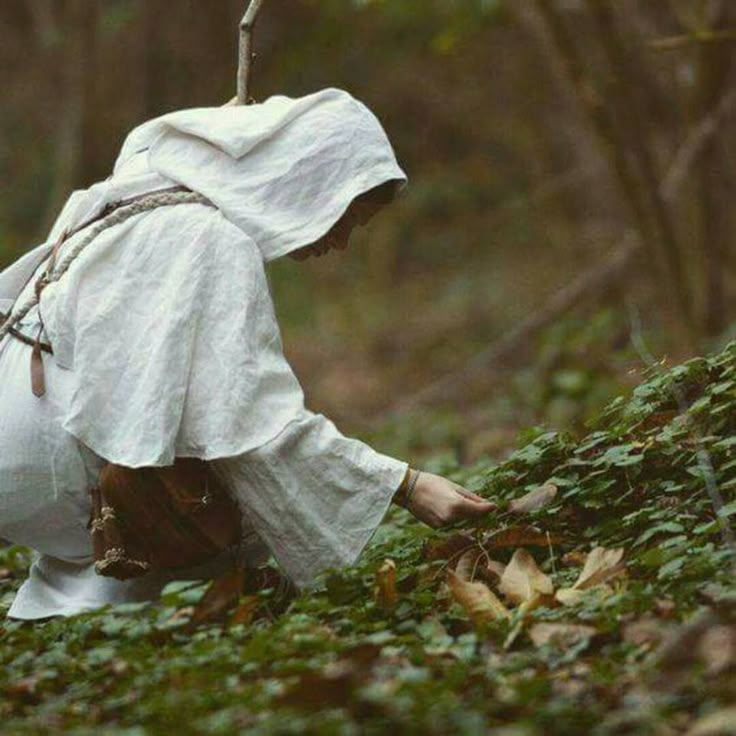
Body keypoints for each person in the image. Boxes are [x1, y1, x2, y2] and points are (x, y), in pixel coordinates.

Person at [0, 88, 495, 620]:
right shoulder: (208, 238)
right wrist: (406, 486)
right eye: (348, 215)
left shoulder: (142, 191)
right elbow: (258, 428)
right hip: (54, 466)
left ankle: (109, 609)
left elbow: (148, 142)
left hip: (16, 453)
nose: (344, 241)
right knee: (253, 495)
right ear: (312, 183)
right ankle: (189, 613)